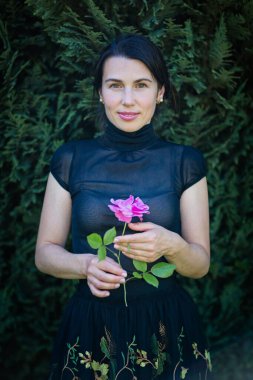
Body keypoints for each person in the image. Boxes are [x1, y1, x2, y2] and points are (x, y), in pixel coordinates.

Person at [35, 34, 212, 380]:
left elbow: (200, 264)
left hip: (166, 325)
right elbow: (44, 252)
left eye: (141, 85)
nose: (127, 100)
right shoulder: (71, 159)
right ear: (100, 92)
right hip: (91, 326)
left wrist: (173, 246)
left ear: (160, 92)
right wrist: (85, 264)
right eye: (115, 85)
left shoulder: (184, 163)